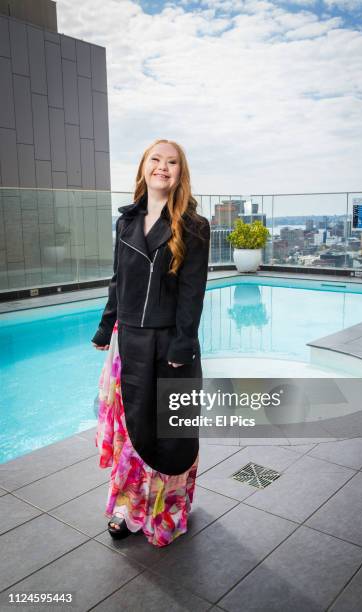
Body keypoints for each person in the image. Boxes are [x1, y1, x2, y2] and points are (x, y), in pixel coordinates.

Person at [91, 139, 210, 546]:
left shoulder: (193, 226)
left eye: (172, 162)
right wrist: (107, 327)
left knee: (170, 433)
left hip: (170, 347)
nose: (163, 167)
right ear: (143, 167)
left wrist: (182, 346)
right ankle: (128, 507)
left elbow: (192, 293)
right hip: (131, 346)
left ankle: (167, 508)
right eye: (156, 160)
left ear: (181, 173)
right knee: (132, 429)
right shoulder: (125, 222)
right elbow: (118, 280)